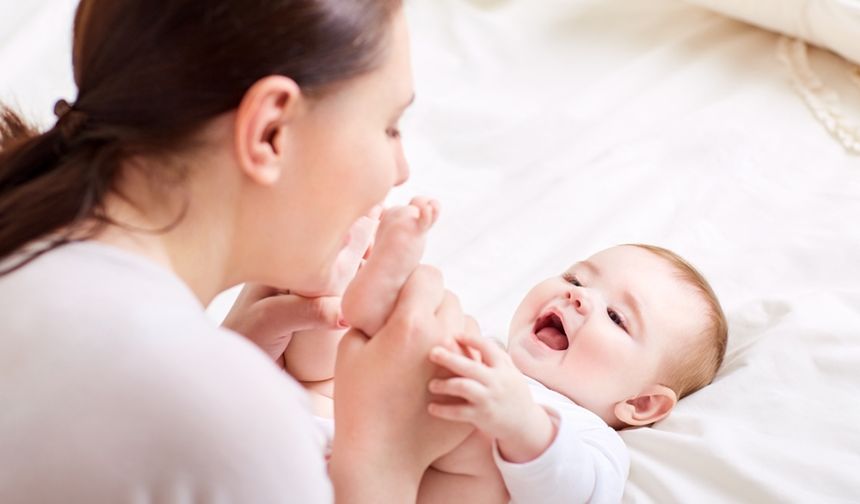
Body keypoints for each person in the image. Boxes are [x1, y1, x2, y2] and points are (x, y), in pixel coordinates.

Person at [0, 0, 475, 502]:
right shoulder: (231, 418)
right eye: (390, 127)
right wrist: (385, 460)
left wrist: (222, 360)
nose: (400, 171)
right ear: (270, 131)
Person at [320, 202, 727, 503]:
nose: (579, 296)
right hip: (330, 460)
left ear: (640, 403)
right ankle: (374, 298)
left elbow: (574, 494)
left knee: (473, 432)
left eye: (617, 317)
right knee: (433, 330)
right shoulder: (485, 346)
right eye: (576, 277)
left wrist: (519, 422)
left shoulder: (589, 437)